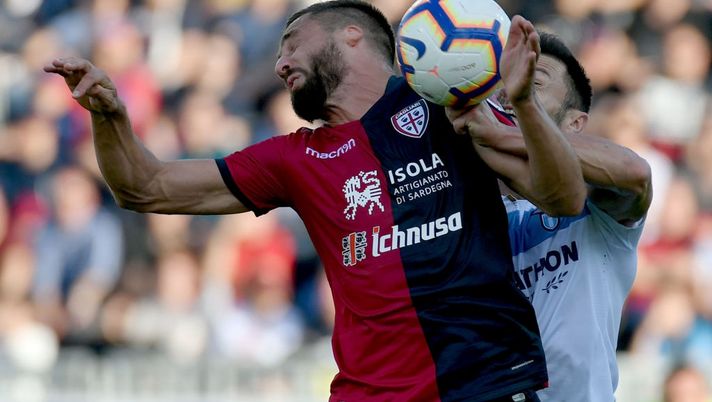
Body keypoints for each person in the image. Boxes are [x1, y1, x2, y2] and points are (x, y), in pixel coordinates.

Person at [45, 1, 588, 400]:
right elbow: (144, 186)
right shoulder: (292, 159)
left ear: (351, 35)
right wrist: (109, 116)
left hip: (483, 384)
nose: (280, 64)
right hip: (367, 394)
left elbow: (563, 198)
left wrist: (523, 105)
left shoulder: (447, 106)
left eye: (291, 44)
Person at [449, 32, 653, 401]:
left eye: (532, 80)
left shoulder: (595, 210)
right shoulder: (456, 214)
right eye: (502, 82)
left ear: (576, 123)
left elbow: (634, 173)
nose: (511, 90)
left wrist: (500, 134)